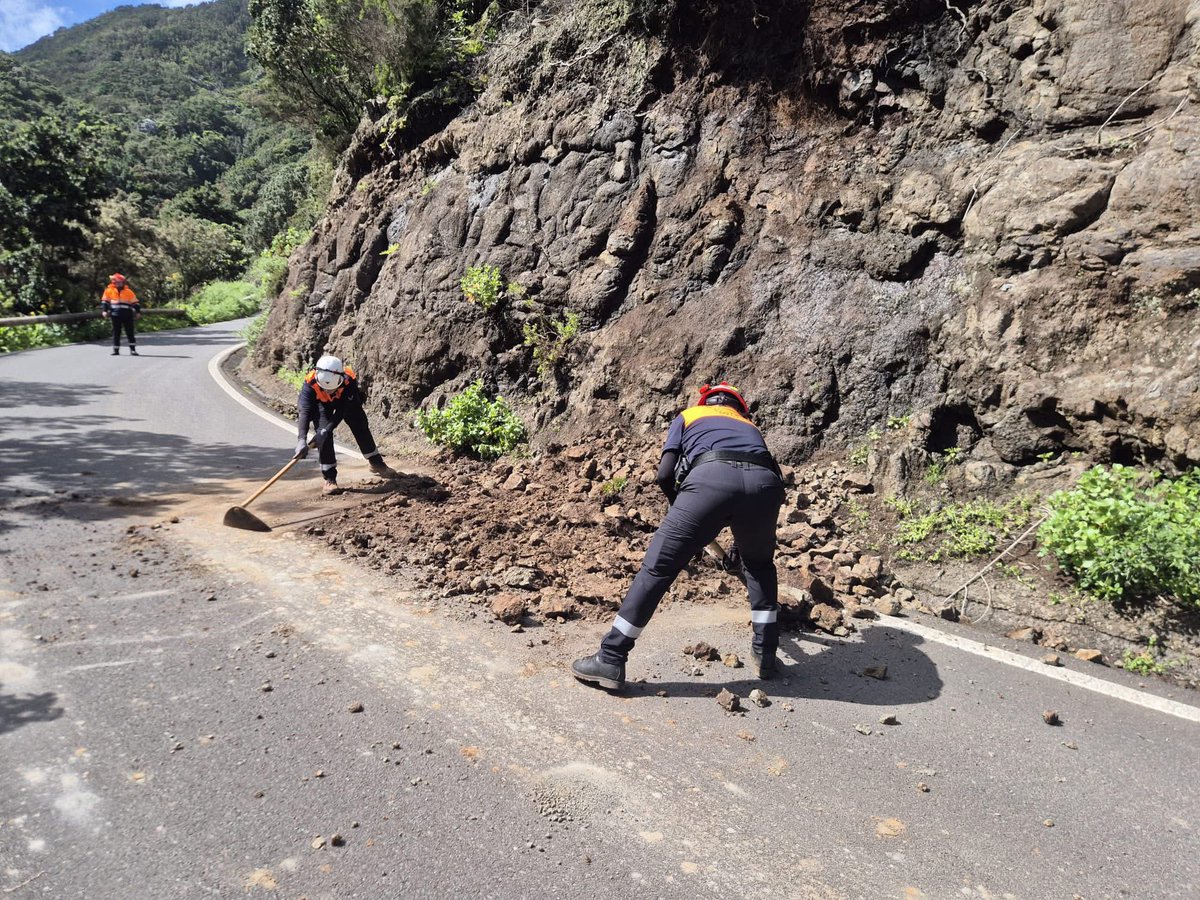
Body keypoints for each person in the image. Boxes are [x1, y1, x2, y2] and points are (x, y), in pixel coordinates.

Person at [572, 382, 786, 690]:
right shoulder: (749, 427)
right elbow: (755, 476)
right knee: (760, 567)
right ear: (740, 406)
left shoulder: (689, 415)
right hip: (766, 488)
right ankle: (766, 654)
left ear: (706, 400)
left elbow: (664, 473)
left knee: (658, 568)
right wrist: (742, 544)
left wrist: (684, 507)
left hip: (709, 481)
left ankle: (610, 657)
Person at [292, 355, 400, 495]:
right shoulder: (310, 382)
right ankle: (330, 479)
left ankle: (376, 463)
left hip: (345, 403)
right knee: (323, 437)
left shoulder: (349, 380)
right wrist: (301, 439)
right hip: (322, 405)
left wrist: (327, 429)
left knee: (359, 424)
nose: (329, 391)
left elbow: (343, 410)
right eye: (325, 388)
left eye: (331, 388)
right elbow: (305, 410)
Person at [100, 273, 139, 355]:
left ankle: (133, 350)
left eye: (121, 282)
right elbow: (105, 302)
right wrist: (104, 311)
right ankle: (116, 350)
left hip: (127, 315)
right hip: (115, 315)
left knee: (130, 332)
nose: (119, 284)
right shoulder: (109, 291)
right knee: (116, 333)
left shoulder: (128, 291)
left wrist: (138, 312)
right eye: (117, 282)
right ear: (114, 283)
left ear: (123, 282)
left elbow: (135, 303)